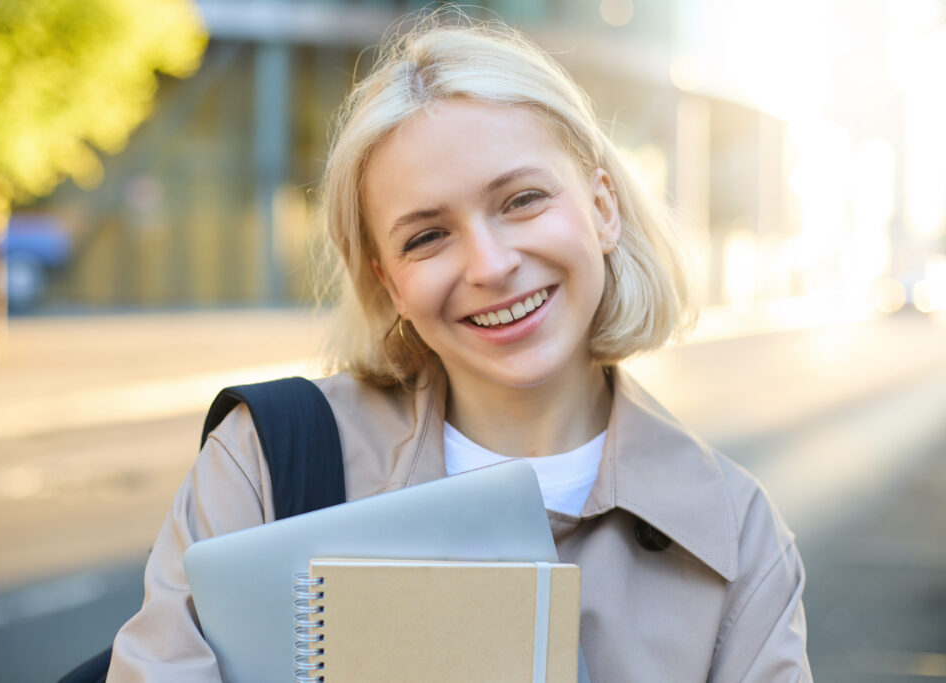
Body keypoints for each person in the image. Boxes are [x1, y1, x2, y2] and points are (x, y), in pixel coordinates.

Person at [106, 14, 811, 682]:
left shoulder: (738, 534)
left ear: (602, 207)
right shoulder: (264, 460)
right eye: (426, 236)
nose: (489, 264)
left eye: (522, 199)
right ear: (388, 283)